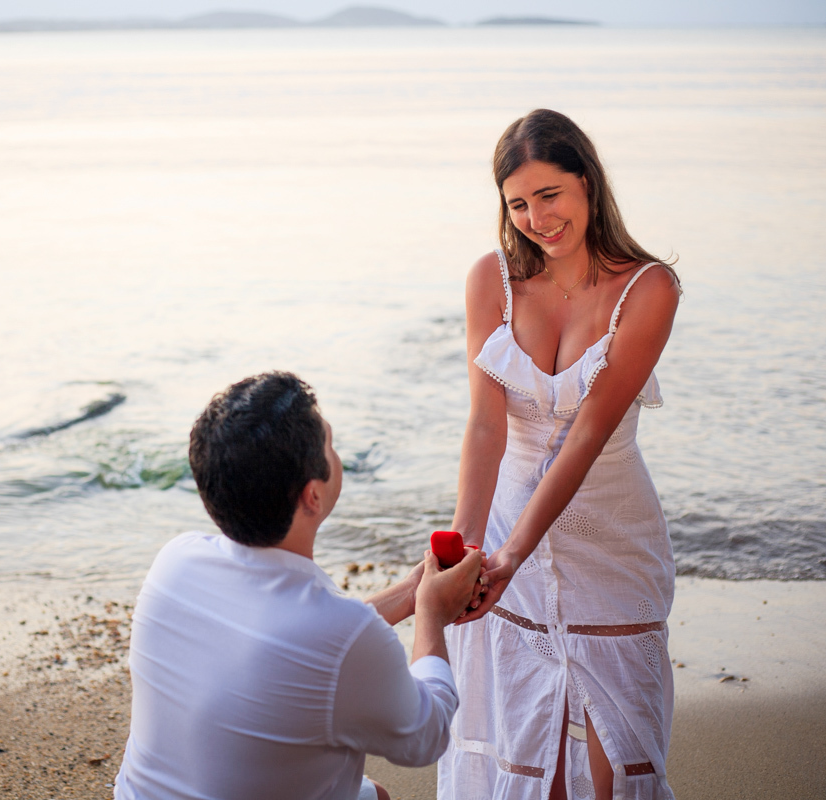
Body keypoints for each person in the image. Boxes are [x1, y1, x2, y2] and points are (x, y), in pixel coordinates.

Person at [440, 109, 682, 800]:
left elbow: (588, 432)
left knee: (618, 763)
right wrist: (466, 546)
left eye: (549, 195)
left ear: (587, 181)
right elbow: (486, 427)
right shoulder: (492, 279)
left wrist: (514, 553)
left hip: (610, 546)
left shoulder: (649, 289)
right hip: (503, 540)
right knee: (527, 755)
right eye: (518, 203)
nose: (536, 218)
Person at [114, 372, 486, 800]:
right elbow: (427, 734)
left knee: (373, 795)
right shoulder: (339, 634)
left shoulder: (174, 562)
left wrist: (410, 593)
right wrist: (433, 615)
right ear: (312, 495)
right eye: (331, 444)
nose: (336, 452)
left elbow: (296, 645)